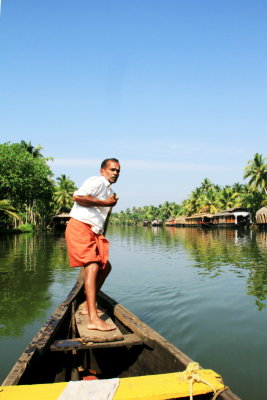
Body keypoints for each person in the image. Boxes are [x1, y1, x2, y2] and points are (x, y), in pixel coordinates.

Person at [65, 158, 120, 331]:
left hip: (93, 231)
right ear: (102, 170)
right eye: (112, 170)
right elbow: (78, 197)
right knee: (93, 267)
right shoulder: (97, 181)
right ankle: (92, 319)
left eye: (118, 171)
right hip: (81, 227)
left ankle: (89, 303)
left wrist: (108, 202)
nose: (115, 173)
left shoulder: (106, 188)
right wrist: (106, 203)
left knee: (106, 266)